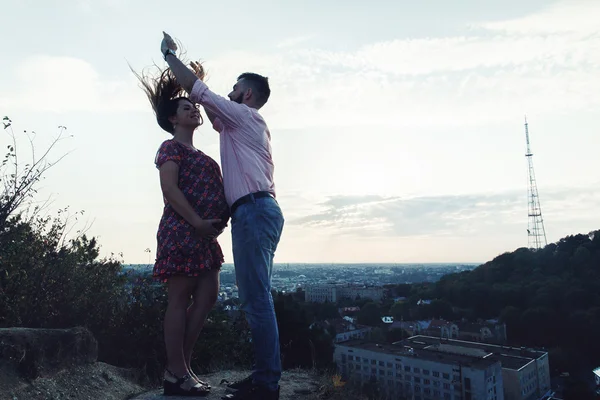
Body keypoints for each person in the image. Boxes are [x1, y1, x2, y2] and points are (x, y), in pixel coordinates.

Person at [160, 32, 284, 400]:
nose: (227, 93)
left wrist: (169, 55)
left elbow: (199, 92)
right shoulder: (237, 125)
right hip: (255, 210)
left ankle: (266, 383)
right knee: (256, 298)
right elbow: (207, 106)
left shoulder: (243, 116)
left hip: (254, 210)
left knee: (256, 300)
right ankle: (261, 376)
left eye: (234, 88)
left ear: (246, 95)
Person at [133, 64, 230, 396]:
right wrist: (198, 222)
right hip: (182, 231)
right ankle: (178, 372)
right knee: (179, 299)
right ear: (173, 118)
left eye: (194, 106)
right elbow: (170, 191)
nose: (194, 109)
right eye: (187, 108)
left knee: (207, 298)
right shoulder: (169, 148)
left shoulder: (203, 156)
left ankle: (180, 369)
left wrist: (217, 222)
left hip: (205, 236)